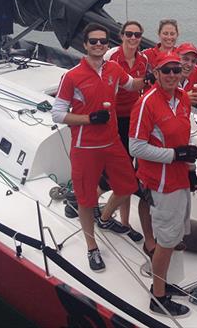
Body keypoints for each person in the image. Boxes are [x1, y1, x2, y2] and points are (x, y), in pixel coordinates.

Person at [51, 23, 144, 272]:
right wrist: (88, 119)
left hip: (112, 142)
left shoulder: (113, 68)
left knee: (128, 186)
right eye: (94, 41)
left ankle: (105, 219)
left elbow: (131, 85)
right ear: (85, 44)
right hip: (85, 147)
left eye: (103, 41)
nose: (99, 45)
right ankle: (91, 247)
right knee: (86, 199)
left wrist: (158, 77)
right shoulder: (71, 76)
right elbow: (57, 114)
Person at [129, 54, 197, 317]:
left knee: (175, 236)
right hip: (161, 183)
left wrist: (190, 172)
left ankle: (166, 282)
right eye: (166, 70)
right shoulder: (145, 104)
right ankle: (158, 296)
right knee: (166, 241)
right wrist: (174, 155)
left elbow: (184, 139)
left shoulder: (182, 99)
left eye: (176, 70)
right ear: (156, 74)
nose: (172, 74)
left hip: (180, 179)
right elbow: (135, 147)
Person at [102, 20, 152, 246]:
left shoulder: (144, 60)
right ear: (121, 36)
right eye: (129, 34)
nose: (133, 38)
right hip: (114, 119)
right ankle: (92, 207)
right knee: (118, 173)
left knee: (128, 169)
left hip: (134, 119)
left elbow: (139, 86)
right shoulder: (111, 57)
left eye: (137, 35)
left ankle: (124, 222)